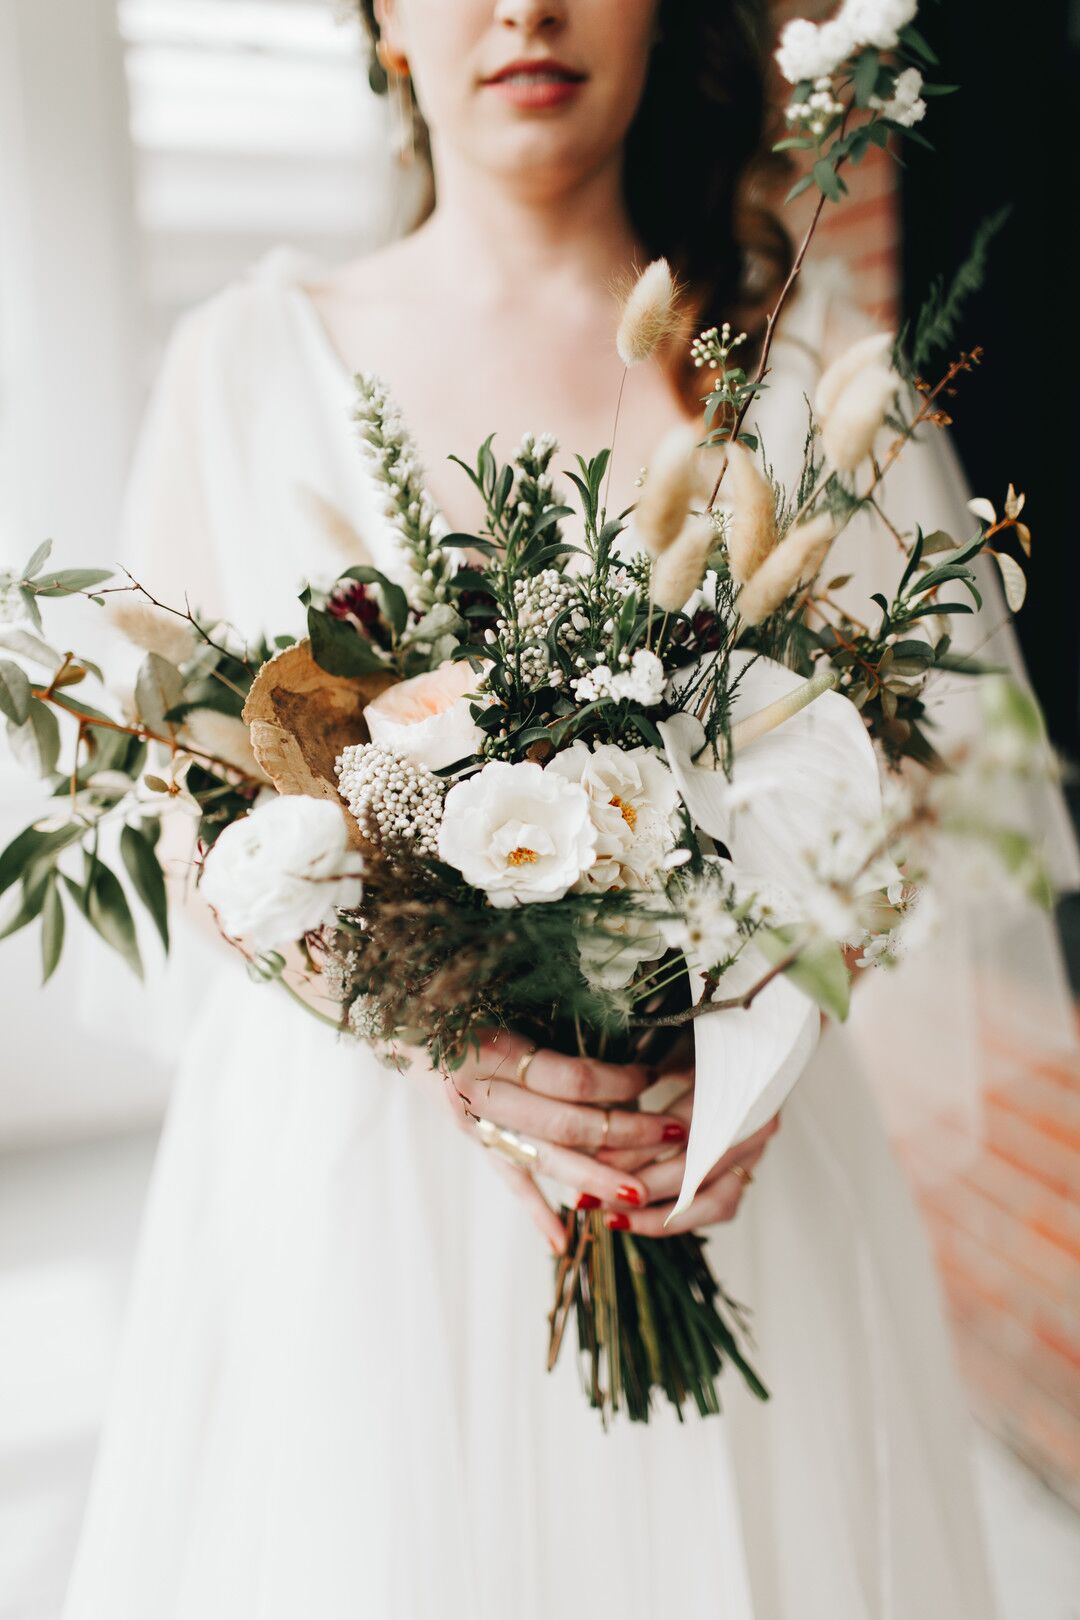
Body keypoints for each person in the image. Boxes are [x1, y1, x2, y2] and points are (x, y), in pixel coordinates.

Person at [63, 1, 1074, 1614]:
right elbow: (200, 806)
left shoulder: (791, 372)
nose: (524, 8)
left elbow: (916, 786)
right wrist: (453, 1035)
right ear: (384, 25)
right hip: (359, 1189)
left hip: (719, 1155)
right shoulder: (241, 366)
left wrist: (758, 1052)